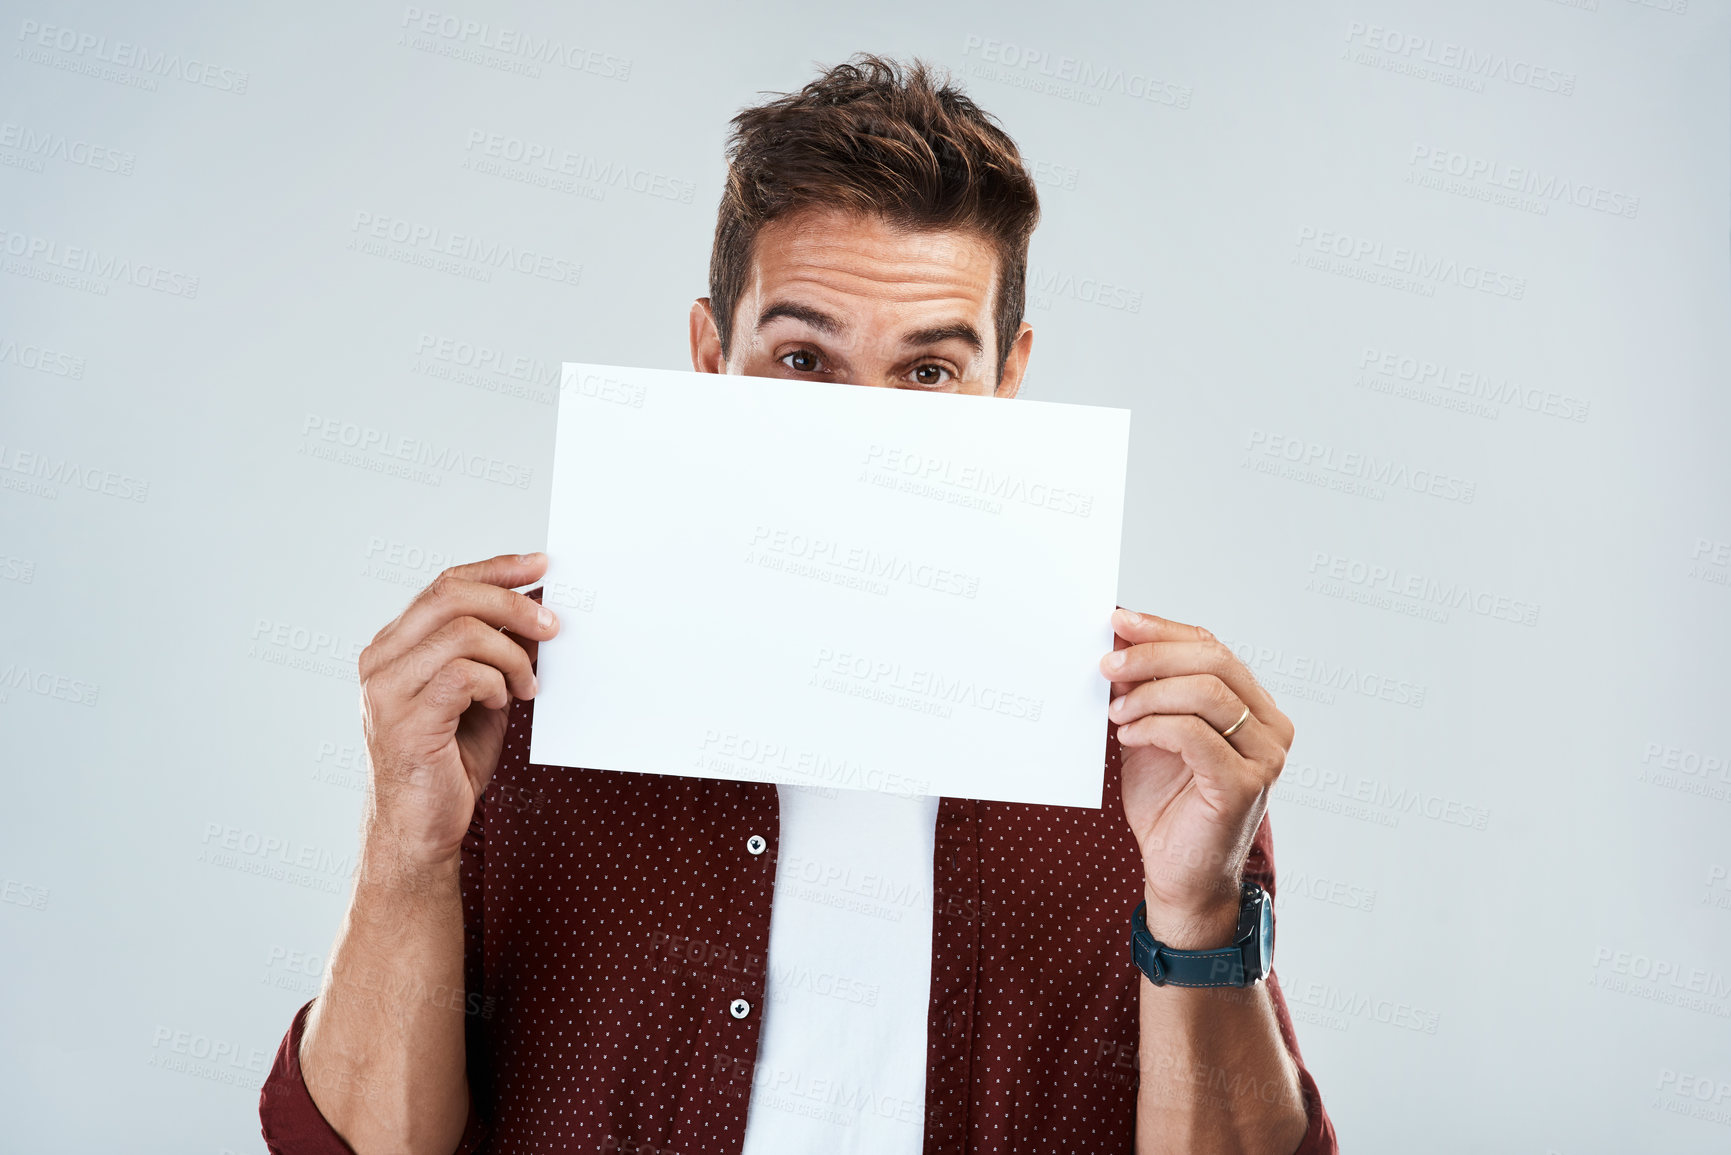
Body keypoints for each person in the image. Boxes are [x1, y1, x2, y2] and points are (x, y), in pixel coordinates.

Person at [259, 54, 1337, 1155]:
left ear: (1005, 383)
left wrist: (1199, 910)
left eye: (927, 375)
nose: (862, 438)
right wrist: (407, 836)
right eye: (804, 359)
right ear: (709, 356)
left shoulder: (1148, 751)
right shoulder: (514, 707)